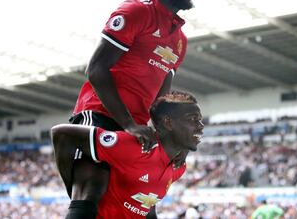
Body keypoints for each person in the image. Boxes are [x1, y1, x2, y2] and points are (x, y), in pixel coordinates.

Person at [66, 0, 194, 217]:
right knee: (92, 186)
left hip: (137, 124)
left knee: (144, 202)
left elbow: (163, 98)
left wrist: (168, 140)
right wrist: (128, 124)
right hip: (99, 112)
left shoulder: (179, 40)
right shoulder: (137, 10)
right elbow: (96, 69)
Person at [52, 91, 204, 218]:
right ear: (168, 123)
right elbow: (61, 133)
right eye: (193, 119)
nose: (201, 126)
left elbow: (146, 206)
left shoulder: (178, 167)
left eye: (200, 120)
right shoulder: (134, 147)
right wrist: (70, 187)